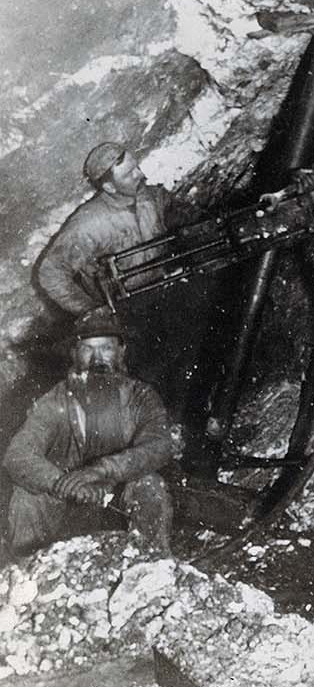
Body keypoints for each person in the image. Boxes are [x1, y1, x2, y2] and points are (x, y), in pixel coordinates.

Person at [34, 142, 202, 412]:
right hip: (126, 312)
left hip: (163, 290)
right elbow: (50, 272)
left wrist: (188, 221)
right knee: (148, 378)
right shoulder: (89, 224)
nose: (140, 174)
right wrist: (92, 311)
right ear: (109, 187)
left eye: (136, 167)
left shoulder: (149, 196)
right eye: (129, 173)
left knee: (189, 354)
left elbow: (175, 211)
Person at [3, 309, 178, 557]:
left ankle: (152, 562)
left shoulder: (140, 397)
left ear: (121, 352)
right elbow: (18, 454)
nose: (97, 359)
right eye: (87, 349)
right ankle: (28, 570)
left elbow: (159, 445)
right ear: (74, 354)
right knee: (26, 498)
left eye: (106, 348)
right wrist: (62, 484)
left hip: (116, 500)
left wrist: (102, 470)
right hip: (68, 503)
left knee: (148, 485)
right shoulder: (56, 400)